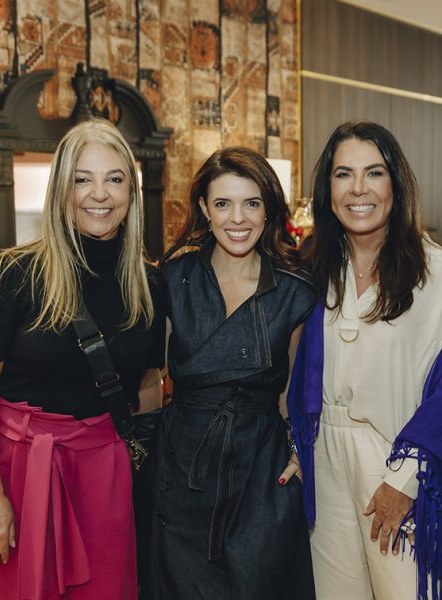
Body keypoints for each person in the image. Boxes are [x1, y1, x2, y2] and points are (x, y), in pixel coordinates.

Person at [0, 119, 165, 600]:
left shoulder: (151, 285)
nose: (98, 194)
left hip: (104, 474)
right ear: (62, 188)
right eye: (83, 179)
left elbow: (148, 384)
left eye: (114, 179)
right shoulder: (15, 275)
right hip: (20, 470)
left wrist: (137, 473)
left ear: (132, 191)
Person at [287, 121, 442, 600]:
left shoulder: (437, 273)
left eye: (375, 173)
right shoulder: (311, 269)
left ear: (396, 184)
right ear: (328, 188)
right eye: (344, 174)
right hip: (324, 453)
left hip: (395, 456)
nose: (359, 189)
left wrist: (405, 480)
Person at [148, 147, 317, 600]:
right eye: (223, 203)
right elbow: (151, 377)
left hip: (259, 467)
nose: (237, 218)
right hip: (182, 465)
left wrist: (301, 457)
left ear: (268, 210)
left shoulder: (295, 291)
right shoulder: (173, 278)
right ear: (204, 208)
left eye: (252, 203)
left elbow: (295, 393)